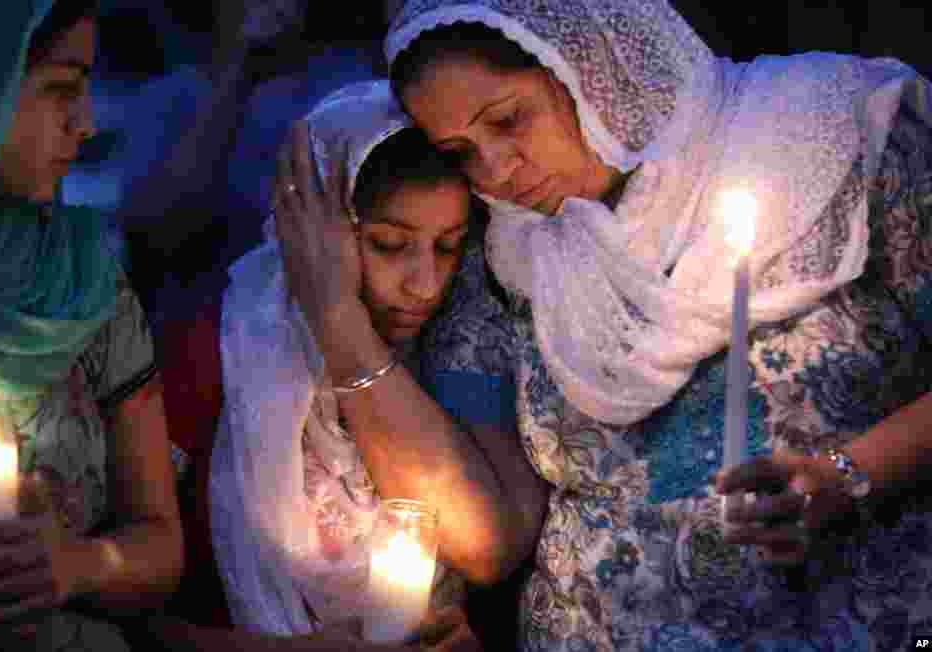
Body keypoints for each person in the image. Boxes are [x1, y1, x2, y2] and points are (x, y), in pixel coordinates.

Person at [375, 1, 932, 650]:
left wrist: (848, 474)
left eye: (507, 120)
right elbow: (493, 530)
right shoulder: (507, 249)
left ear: (593, 58)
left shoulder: (838, 137)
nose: (496, 171)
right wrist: (337, 325)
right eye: (461, 151)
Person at [143, 80, 527, 651]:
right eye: (389, 244)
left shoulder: (447, 355)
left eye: (447, 247)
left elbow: (485, 551)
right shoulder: (212, 352)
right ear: (314, 233)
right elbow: (127, 622)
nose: (424, 285)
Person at [0, 1, 183, 650]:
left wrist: (77, 565)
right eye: (60, 89)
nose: (84, 125)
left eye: (87, 92)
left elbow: (161, 545)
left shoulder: (85, 283)